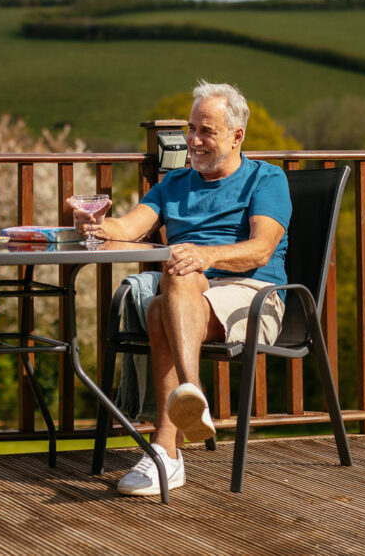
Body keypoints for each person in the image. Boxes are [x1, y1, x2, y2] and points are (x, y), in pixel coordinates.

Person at [80, 80, 291, 496]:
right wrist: (97, 225)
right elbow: (128, 228)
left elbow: (262, 249)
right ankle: (179, 424)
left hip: (253, 295)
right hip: (188, 293)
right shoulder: (173, 185)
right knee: (166, 297)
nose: (193, 140)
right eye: (192, 129)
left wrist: (207, 256)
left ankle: (170, 440)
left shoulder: (266, 179)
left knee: (167, 293)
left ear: (237, 136)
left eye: (206, 131)